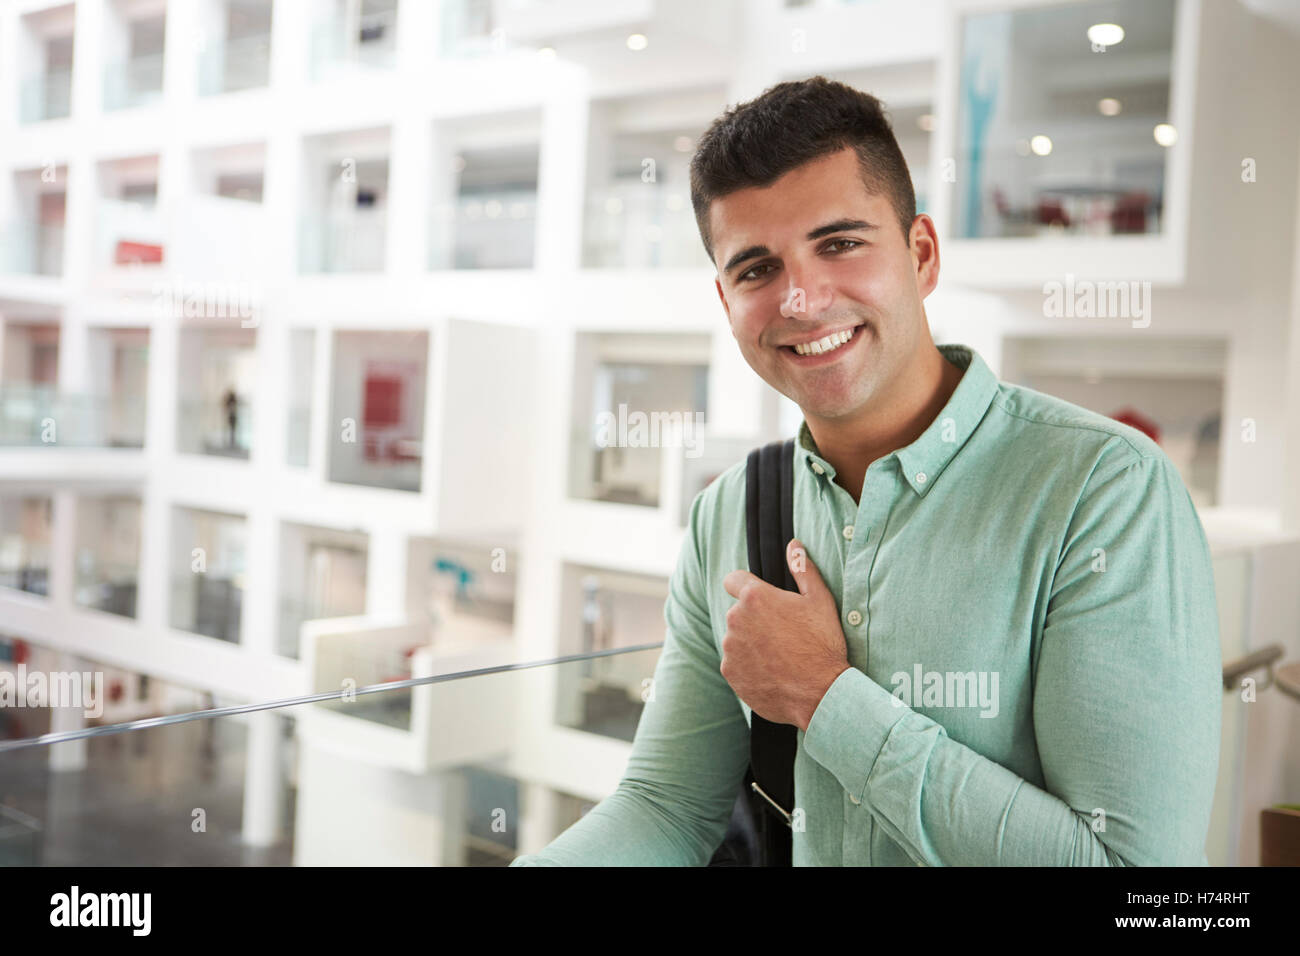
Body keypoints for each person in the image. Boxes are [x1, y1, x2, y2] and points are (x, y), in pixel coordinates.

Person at [511, 76, 1220, 866]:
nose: (803, 299)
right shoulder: (734, 512)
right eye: (756, 269)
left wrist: (825, 697)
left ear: (920, 255)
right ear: (727, 301)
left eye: (840, 243)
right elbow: (667, 808)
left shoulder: (1103, 489)